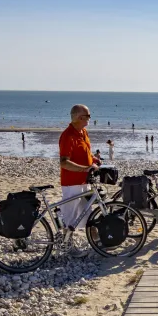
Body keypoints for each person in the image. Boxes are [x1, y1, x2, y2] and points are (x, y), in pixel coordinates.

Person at [59, 104, 101, 257]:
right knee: (70, 215)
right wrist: (84, 168)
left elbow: (85, 152)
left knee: (88, 212)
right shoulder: (67, 136)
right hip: (72, 182)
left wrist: (94, 160)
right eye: (87, 116)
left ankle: (97, 242)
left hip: (85, 181)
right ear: (78, 117)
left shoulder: (83, 132)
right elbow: (64, 162)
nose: (90, 118)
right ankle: (66, 246)